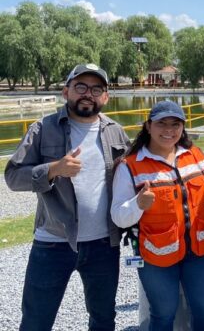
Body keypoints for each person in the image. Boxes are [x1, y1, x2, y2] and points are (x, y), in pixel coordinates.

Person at [5, 63, 130, 331]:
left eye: (97, 88)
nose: (88, 94)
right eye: (81, 87)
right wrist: (52, 170)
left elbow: (132, 177)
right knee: (36, 321)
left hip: (103, 246)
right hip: (52, 243)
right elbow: (13, 177)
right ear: (66, 92)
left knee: (104, 319)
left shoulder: (116, 131)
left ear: (106, 97)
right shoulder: (43, 129)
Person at [111, 100, 204, 331]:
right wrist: (138, 204)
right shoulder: (130, 166)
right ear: (148, 126)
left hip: (200, 252)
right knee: (162, 314)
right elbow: (118, 216)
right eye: (162, 124)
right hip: (155, 256)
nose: (169, 130)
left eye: (175, 124)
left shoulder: (196, 156)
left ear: (183, 127)